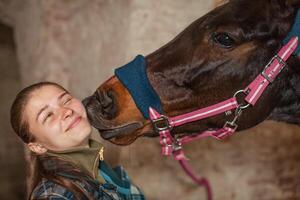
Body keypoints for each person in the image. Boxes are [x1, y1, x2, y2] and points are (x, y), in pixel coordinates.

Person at [10, 81, 145, 200]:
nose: (67, 111)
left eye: (66, 100)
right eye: (48, 115)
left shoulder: (100, 170)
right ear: (37, 147)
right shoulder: (55, 195)